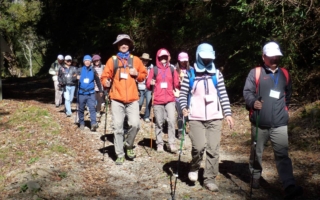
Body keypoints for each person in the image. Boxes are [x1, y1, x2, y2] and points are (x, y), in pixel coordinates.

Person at [243, 41, 303, 199]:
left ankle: (289, 185)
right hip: (259, 122)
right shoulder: (255, 73)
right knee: (257, 152)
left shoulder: (285, 74)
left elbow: (287, 95)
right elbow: (247, 92)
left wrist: (285, 110)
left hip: (280, 123)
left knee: (283, 155)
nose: (274, 59)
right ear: (264, 57)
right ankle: (255, 176)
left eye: (276, 56)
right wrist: (252, 102)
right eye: (271, 57)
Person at [179, 43, 234, 192]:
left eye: (210, 58)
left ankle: (209, 178)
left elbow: (223, 95)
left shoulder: (217, 74)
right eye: (204, 58)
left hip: (215, 117)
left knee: (213, 149)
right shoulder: (190, 74)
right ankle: (195, 167)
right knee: (198, 146)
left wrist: (227, 113)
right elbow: (183, 95)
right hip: (195, 117)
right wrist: (184, 108)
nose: (207, 61)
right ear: (198, 56)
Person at [101, 34, 147, 165]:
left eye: (126, 43)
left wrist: (137, 74)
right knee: (118, 127)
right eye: (121, 43)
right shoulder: (113, 60)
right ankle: (119, 153)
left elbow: (144, 75)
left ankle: (128, 145)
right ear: (117, 45)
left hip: (132, 99)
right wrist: (106, 82)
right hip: (116, 99)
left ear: (130, 45)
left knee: (135, 124)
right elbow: (104, 76)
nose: (124, 45)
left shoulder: (136, 60)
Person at [146, 48, 180, 153]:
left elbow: (177, 84)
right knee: (159, 122)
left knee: (171, 121)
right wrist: (150, 83)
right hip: (157, 100)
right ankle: (159, 143)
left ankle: (171, 143)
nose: (163, 59)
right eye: (161, 57)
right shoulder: (154, 70)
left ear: (168, 57)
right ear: (158, 58)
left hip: (170, 99)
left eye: (165, 57)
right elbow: (147, 85)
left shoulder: (172, 69)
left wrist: (181, 82)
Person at [77, 55, 104, 131]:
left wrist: (101, 90)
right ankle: (82, 123)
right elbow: (73, 78)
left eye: (88, 60)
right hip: (81, 93)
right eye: (86, 60)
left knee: (92, 108)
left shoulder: (93, 70)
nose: (87, 62)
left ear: (91, 62)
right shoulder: (79, 70)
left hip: (91, 93)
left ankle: (93, 124)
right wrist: (76, 78)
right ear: (83, 61)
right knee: (81, 109)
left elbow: (98, 81)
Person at [174, 52, 192, 139]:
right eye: (182, 61)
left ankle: (190, 129)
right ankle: (180, 131)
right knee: (180, 113)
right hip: (177, 94)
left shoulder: (191, 70)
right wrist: (178, 83)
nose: (183, 63)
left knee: (189, 114)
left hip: (189, 96)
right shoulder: (175, 70)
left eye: (185, 61)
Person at [138, 53, 153, 123]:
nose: (145, 62)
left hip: (148, 87)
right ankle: (137, 114)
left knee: (148, 102)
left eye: (146, 60)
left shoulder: (151, 67)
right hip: (140, 87)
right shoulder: (138, 67)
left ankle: (146, 116)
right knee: (140, 102)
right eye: (144, 60)